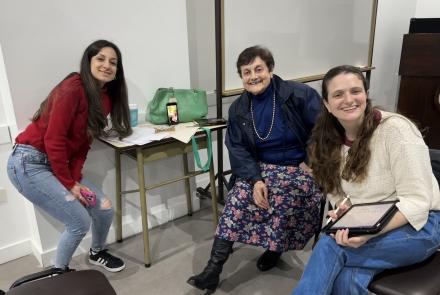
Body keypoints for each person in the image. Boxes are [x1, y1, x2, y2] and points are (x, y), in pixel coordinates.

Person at [292, 65, 440, 294]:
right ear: (327, 104)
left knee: (330, 245)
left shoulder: (396, 130)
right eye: (338, 94)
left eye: (355, 91)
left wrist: (370, 232)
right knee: (347, 279)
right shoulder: (327, 141)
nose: (348, 99)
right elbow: (341, 197)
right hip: (370, 222)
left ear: (366, 95)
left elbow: (418, 201)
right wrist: (342, 211)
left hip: (422, 226)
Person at [187, 45, 323, 292]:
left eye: (258, 69)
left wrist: (311, 161)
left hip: (297, 167)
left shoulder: (299, 94)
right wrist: (255, 179)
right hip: (259, 169)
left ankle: (274, 249)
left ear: (270, 69)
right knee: (236, 200)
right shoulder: (238, 107)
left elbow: (322, 129)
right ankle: (212, 270)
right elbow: (238, 148)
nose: (253, 76)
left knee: (282, 197)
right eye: (246, 72)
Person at [6, 40, 132, 272]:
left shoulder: (105, 98)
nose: (107, 65)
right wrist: (69, 183)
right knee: (78, 221)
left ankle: (97, 252)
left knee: (103, 208)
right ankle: (59, 272)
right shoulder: (74, 86)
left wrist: (73, 180)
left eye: (113, 62)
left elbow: (82, 145)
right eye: (100, 59)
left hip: (57, 165)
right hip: (29, 163)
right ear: (88, 61)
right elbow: (53, 140)